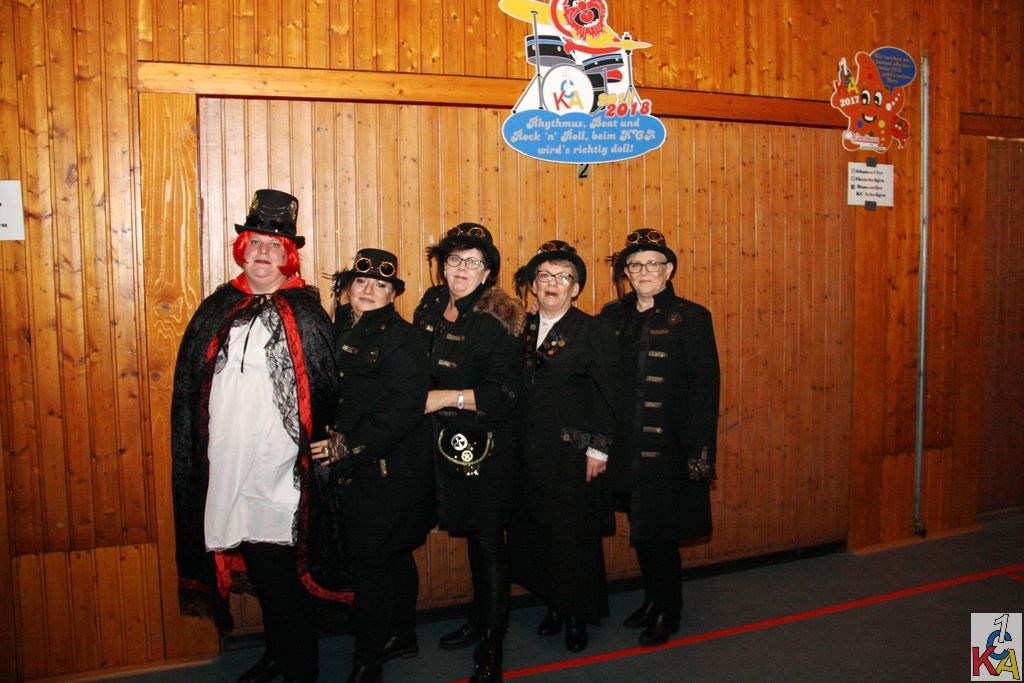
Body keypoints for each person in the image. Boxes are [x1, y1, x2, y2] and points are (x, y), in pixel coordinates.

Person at [171, 189, 349, 683]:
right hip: (229, 465)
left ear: (288, 256)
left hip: (279, 472)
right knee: (262, 572)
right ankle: (276, 655)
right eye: (256, 243)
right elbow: (191, 392)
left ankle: (300, 670)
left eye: (275, 245)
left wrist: (329, 443)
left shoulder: (305, 312)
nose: (264, 252)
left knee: (282, 576)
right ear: (242, 250)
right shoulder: (218, 307)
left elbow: (327, 388)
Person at [311, 248, 433, 683]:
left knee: (371, 564)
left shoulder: (403, 337)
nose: (368, 290)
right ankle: (402, 633)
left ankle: (369, 662)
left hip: (385, 468)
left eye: (380, 284)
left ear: (392, 294)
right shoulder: (336, 328)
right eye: (361, 282)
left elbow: (404, 407)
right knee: (391, 556)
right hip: (354, 466)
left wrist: (348, 446)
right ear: (347, 287)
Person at [413, 223, 525, 683]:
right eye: (455, 259)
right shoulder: (430, 303)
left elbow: (507, 393)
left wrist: (447, 398)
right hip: (436, 442)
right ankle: (479, 619)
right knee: (469, 535)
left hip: (486, 444)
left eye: (473, 262)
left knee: (487, 541)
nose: (462, 268)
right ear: (443, 267)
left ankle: (493, 642)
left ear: (488, 273)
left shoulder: (501, 317)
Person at [598, 227, 721, 647]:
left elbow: (705, 390)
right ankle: (653, 599)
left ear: (669, 270)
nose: (644, 271)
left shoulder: (692, 317)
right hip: (626, 445)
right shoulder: (612, 317)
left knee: (661, 531)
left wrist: (699, 453)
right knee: (641, 527)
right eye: (635, 265)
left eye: (653, 263)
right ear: (626, 273)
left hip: (670, 448)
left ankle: (669, 608)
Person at [508, 240, 619, 653]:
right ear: (533, 285)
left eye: (562, 276)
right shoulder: (522, 328)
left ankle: (576, 615)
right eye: (544, 275)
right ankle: (553, 606)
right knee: (538, 533)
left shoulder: (593, 330)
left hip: (573, 454)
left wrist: (599, 449)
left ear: (576, 288)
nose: (552, 283)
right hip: (529, 452)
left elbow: (609, 394)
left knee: (572, 538)